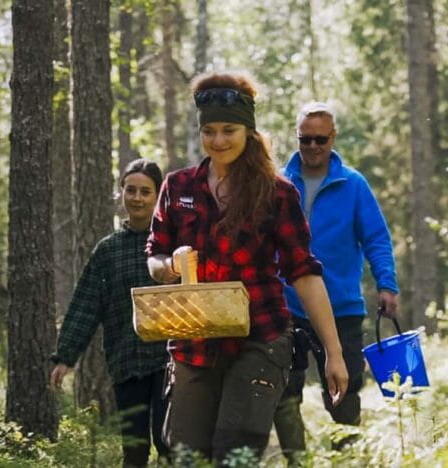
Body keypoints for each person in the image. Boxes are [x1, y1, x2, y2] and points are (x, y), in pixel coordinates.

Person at [145, 72, 350, 464]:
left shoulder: (277, 193)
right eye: (209, 131)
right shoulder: (177, 187)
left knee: (235, 455)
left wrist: (334, 353)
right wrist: (169, 264)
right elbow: (154, 256)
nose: (218, 140)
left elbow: (304, 274)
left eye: (229, 130)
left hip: (260, 337)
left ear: (248, 132)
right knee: (185, 456)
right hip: (193, 342)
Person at [273, 101, 399, 457]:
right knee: (285, 391)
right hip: (287, 306)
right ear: (297, 137)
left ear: (333, 137)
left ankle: (346, 460)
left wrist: (387, 284)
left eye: (321, 140)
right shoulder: (279, 183)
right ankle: (297, 462)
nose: (313, 147)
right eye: (306, 139)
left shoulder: (354, 185)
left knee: (344, 392)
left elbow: (376, 239)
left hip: (341, 306)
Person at [50, 159, 171, 468]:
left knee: (168, 443)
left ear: (158, 195)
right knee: (134, 448)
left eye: (145, 191)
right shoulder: (108, 250)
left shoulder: (171, 243)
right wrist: (65, 356)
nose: (137, 198)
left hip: (170, 361)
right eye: (131, 190)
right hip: (126, 361)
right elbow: (86, 304)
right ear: (121, 193)